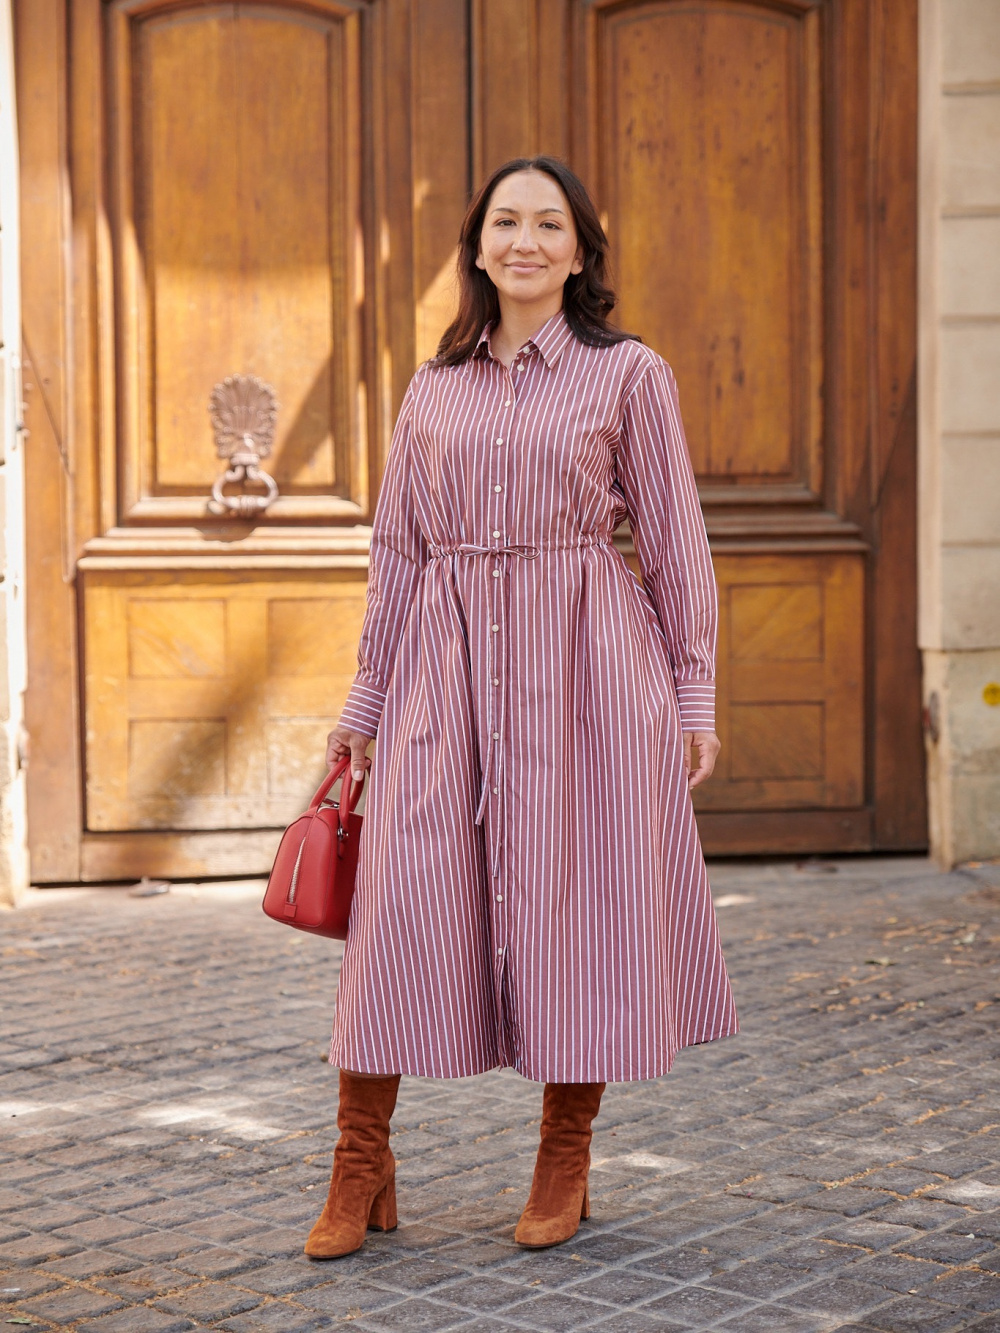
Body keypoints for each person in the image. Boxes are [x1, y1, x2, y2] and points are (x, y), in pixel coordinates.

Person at [305, 155, 739, 1260]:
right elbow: (397, 550)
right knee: (400, 909)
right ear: (479, 244)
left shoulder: (629, 375)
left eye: (550, 224)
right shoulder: (433, 385)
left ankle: (566, 1152)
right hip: (439, 673)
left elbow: (675, 545)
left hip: (590, 673)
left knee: (578, 909)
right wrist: (362, 703)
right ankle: (361, 1159)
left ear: (581, 251)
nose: (526, 241)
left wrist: (691, 691)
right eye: (507, 221)